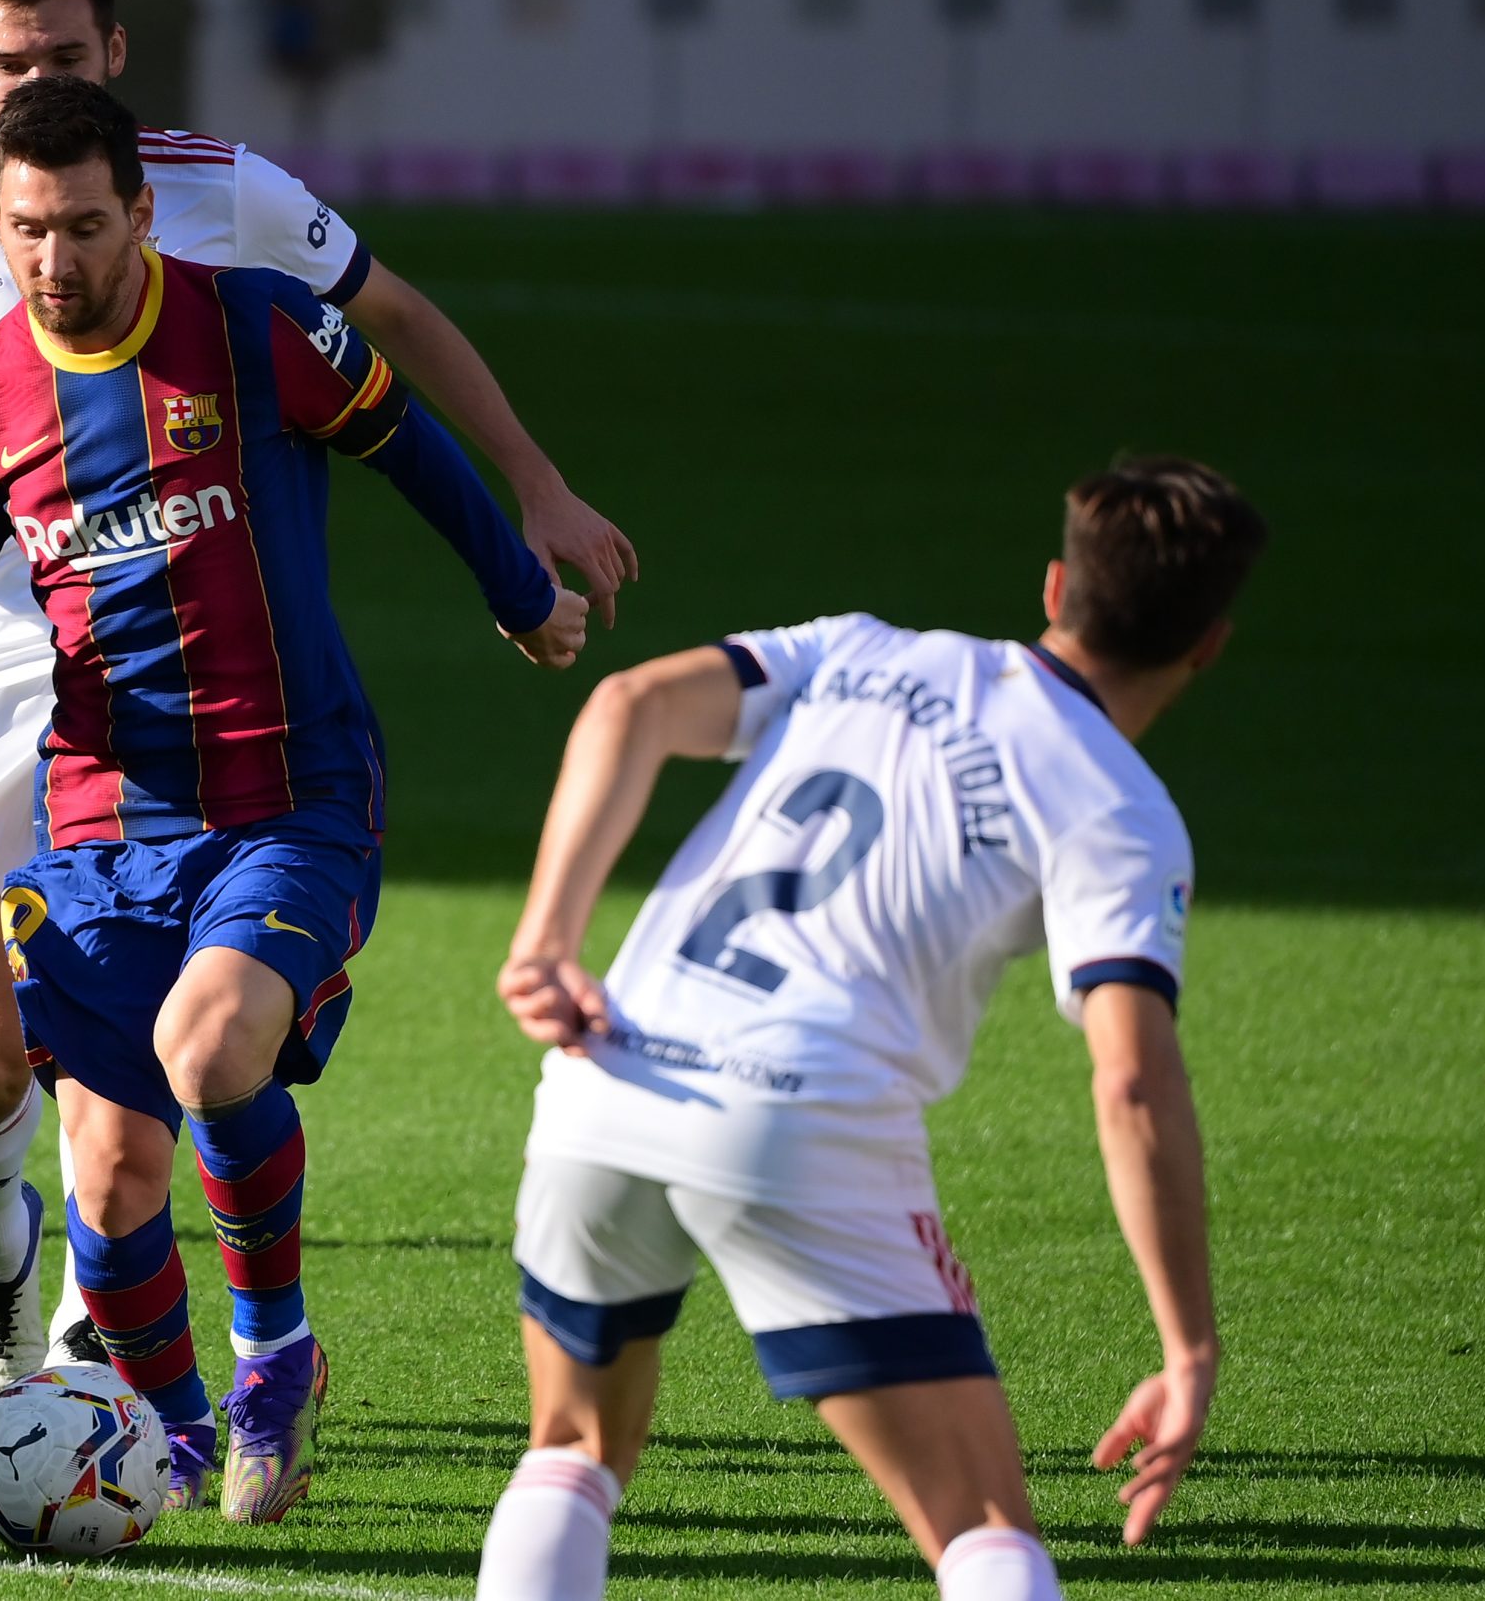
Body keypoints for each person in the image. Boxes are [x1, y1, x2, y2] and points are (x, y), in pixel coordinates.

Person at [0, 0, 635, 1412]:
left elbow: (398, 326)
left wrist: (538, 492)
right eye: (7, 61)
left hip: (198, 665)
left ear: (114, 54)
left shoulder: (222, 193)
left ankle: (156, 1362)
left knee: (165, 1068)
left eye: (62, 53)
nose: (34, 77)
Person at [0, 75, 590, 1521]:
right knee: (104, 1175)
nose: (56, 261)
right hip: (97, 822)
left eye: (85, 226)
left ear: (141, 212)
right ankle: (173, 1427)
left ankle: (275, 1347)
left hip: (291, 794)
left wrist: (522, 588)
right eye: (28, 232)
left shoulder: (255, 325)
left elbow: (411, 443)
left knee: (212, 1048)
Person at [472, 458, 1268, 1599]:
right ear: (1208, 645)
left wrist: (546, 940)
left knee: (571, 1452)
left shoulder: (863, 650)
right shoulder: (1118, 810)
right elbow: (1131, 1083)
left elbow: (627, 703)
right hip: (802, 1118)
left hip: (608, 1080)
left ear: (1054, 589)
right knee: (984, 1527)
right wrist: (1188, 1346)